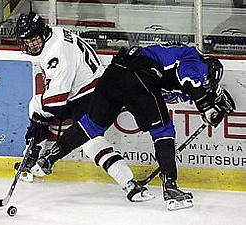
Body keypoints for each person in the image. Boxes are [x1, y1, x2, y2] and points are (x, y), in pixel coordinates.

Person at [27, 42, 236, 210]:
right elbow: (190, 80)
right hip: (138, 76)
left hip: (115, 72)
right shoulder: (194, 58)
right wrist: (206, 106)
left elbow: (182, 88)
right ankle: (171, 188)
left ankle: (50, 157)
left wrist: (209, 102)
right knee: (163, 131)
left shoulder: (181, 61)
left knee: (91, 126)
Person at [14, 11, 154, 202]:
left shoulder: (56, 52)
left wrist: (39, 122)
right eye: (27, 41)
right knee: (38, 105)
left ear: (42, 32)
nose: (31, 44)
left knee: (89, 142)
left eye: (33, 39)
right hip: (91, 89)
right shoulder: (55, 33)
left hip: (91, 96)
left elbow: (56, 101)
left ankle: (128, 182)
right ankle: (32, 155)